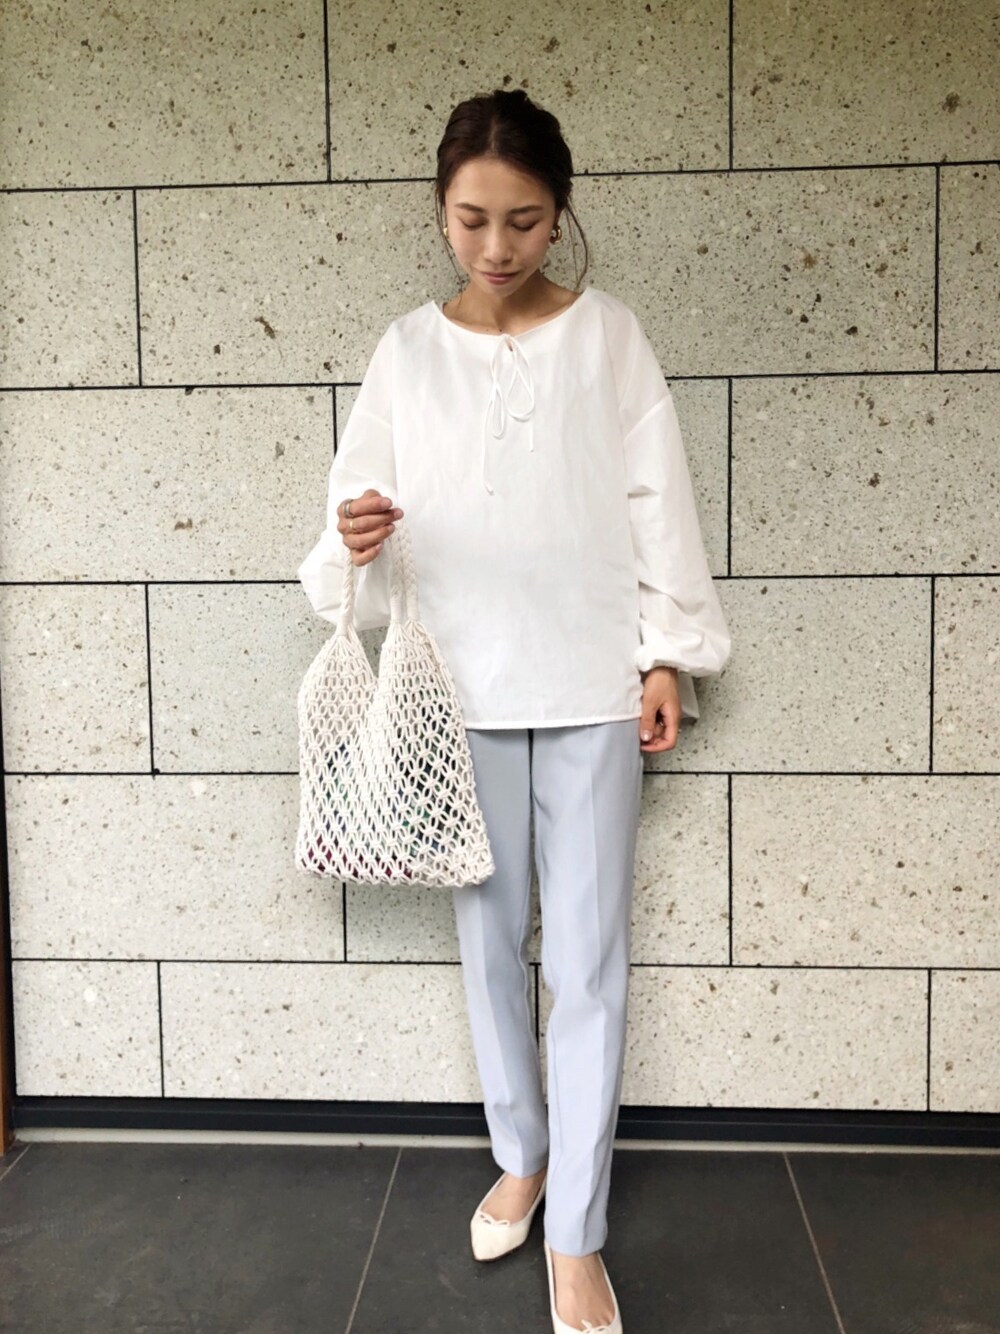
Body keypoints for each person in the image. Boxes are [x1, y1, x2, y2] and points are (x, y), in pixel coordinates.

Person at [298, 88, 731, 1334]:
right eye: (472, 219)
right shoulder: (404, 353)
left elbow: (658, 504)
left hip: (592, 686)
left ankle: (577, 1230)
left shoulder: (609, 338)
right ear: (441, 212)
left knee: (586, 962)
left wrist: (666, 658)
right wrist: (354, 534)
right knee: (489, 949)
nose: (496, 246)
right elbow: (348, 523)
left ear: (560, 213)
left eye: (525, 220)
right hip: (456, 691)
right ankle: (522, 1155)